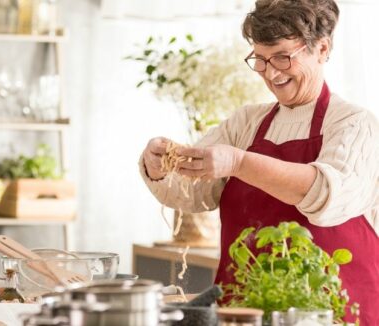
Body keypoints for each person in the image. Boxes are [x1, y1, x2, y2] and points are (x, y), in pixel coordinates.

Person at [139, 0, 378, 323]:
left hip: (332, 316)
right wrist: (159, 165)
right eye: (261, 59)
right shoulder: (246, 123)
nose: (271, 72)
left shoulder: (354, 124)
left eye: (283, 56)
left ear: (322, 49)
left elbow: (326, 196)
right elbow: (192, 193)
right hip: (243, 314)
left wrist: (239, 163)